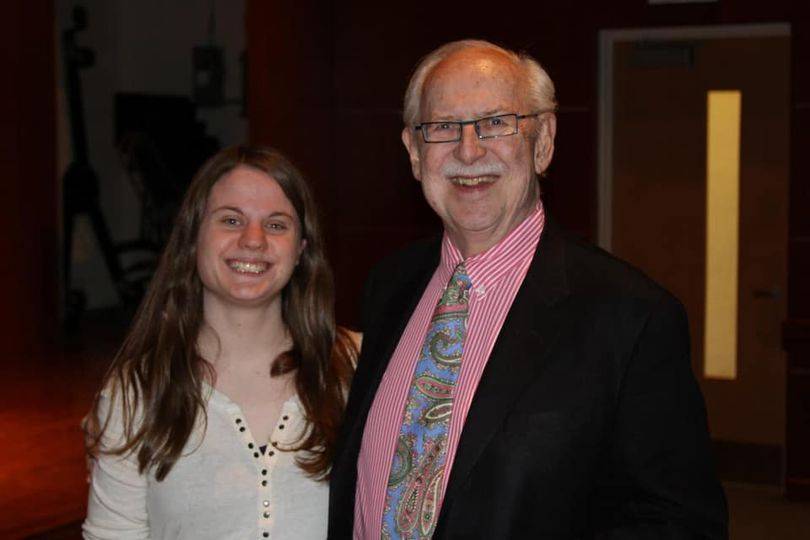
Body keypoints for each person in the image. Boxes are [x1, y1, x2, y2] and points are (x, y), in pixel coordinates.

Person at [329, 40, 728, 539]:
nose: (468, 150)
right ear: (413, 152)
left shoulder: (632, 319)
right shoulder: (389, 285)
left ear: (543, 142)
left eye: (496, 123)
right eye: (443, 128)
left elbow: (681, 525)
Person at [83, 145, 356, 539]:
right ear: (193, 238)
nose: (254, 240)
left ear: (301, 250)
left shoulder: (356, 369)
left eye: (277, 225)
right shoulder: (134, 393)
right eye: (231, 220)